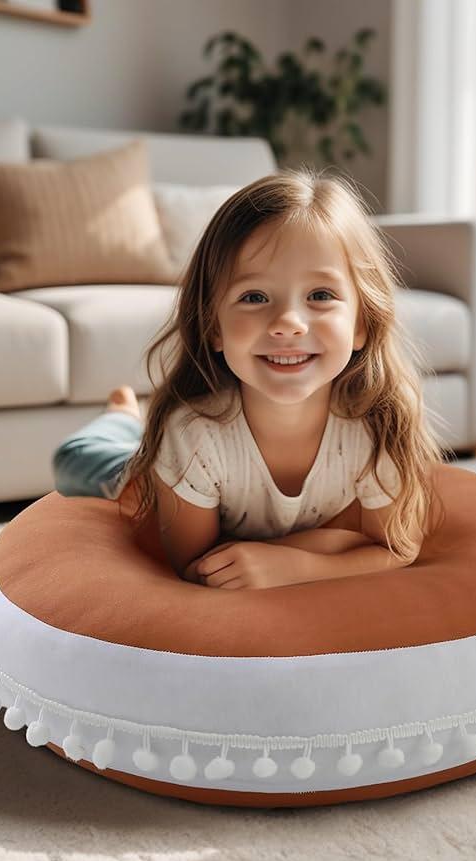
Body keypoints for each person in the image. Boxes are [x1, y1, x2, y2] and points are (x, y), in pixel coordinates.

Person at [52, 168, 452, 589]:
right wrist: (335, 542)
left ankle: (128, 420)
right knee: (77, 459)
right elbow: (197, 566)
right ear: (214, 328)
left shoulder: (380, 419)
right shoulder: (194, 433)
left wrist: (296, 565)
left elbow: (396, 547)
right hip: (141, 478)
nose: (288, 324)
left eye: (320, 296)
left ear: (361, 323)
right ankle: (121, 418)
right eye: (254, 297)